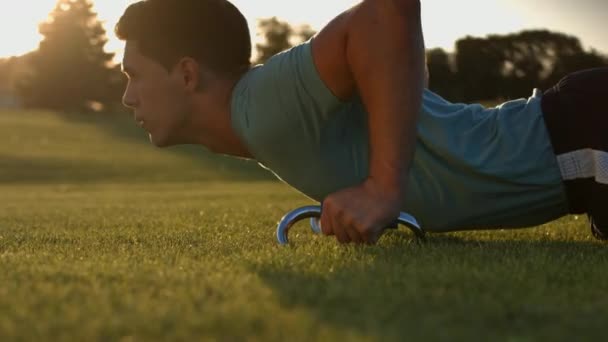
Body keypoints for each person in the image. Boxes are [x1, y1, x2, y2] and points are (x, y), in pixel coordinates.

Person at [115, 0, 608, 244]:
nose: (126, 97)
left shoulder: (261, 103)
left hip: (590, 133)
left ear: (186, 74)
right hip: (584, 155)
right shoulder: (257, 119)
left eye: (133, 75)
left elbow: (385, 12)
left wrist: (383, 187)